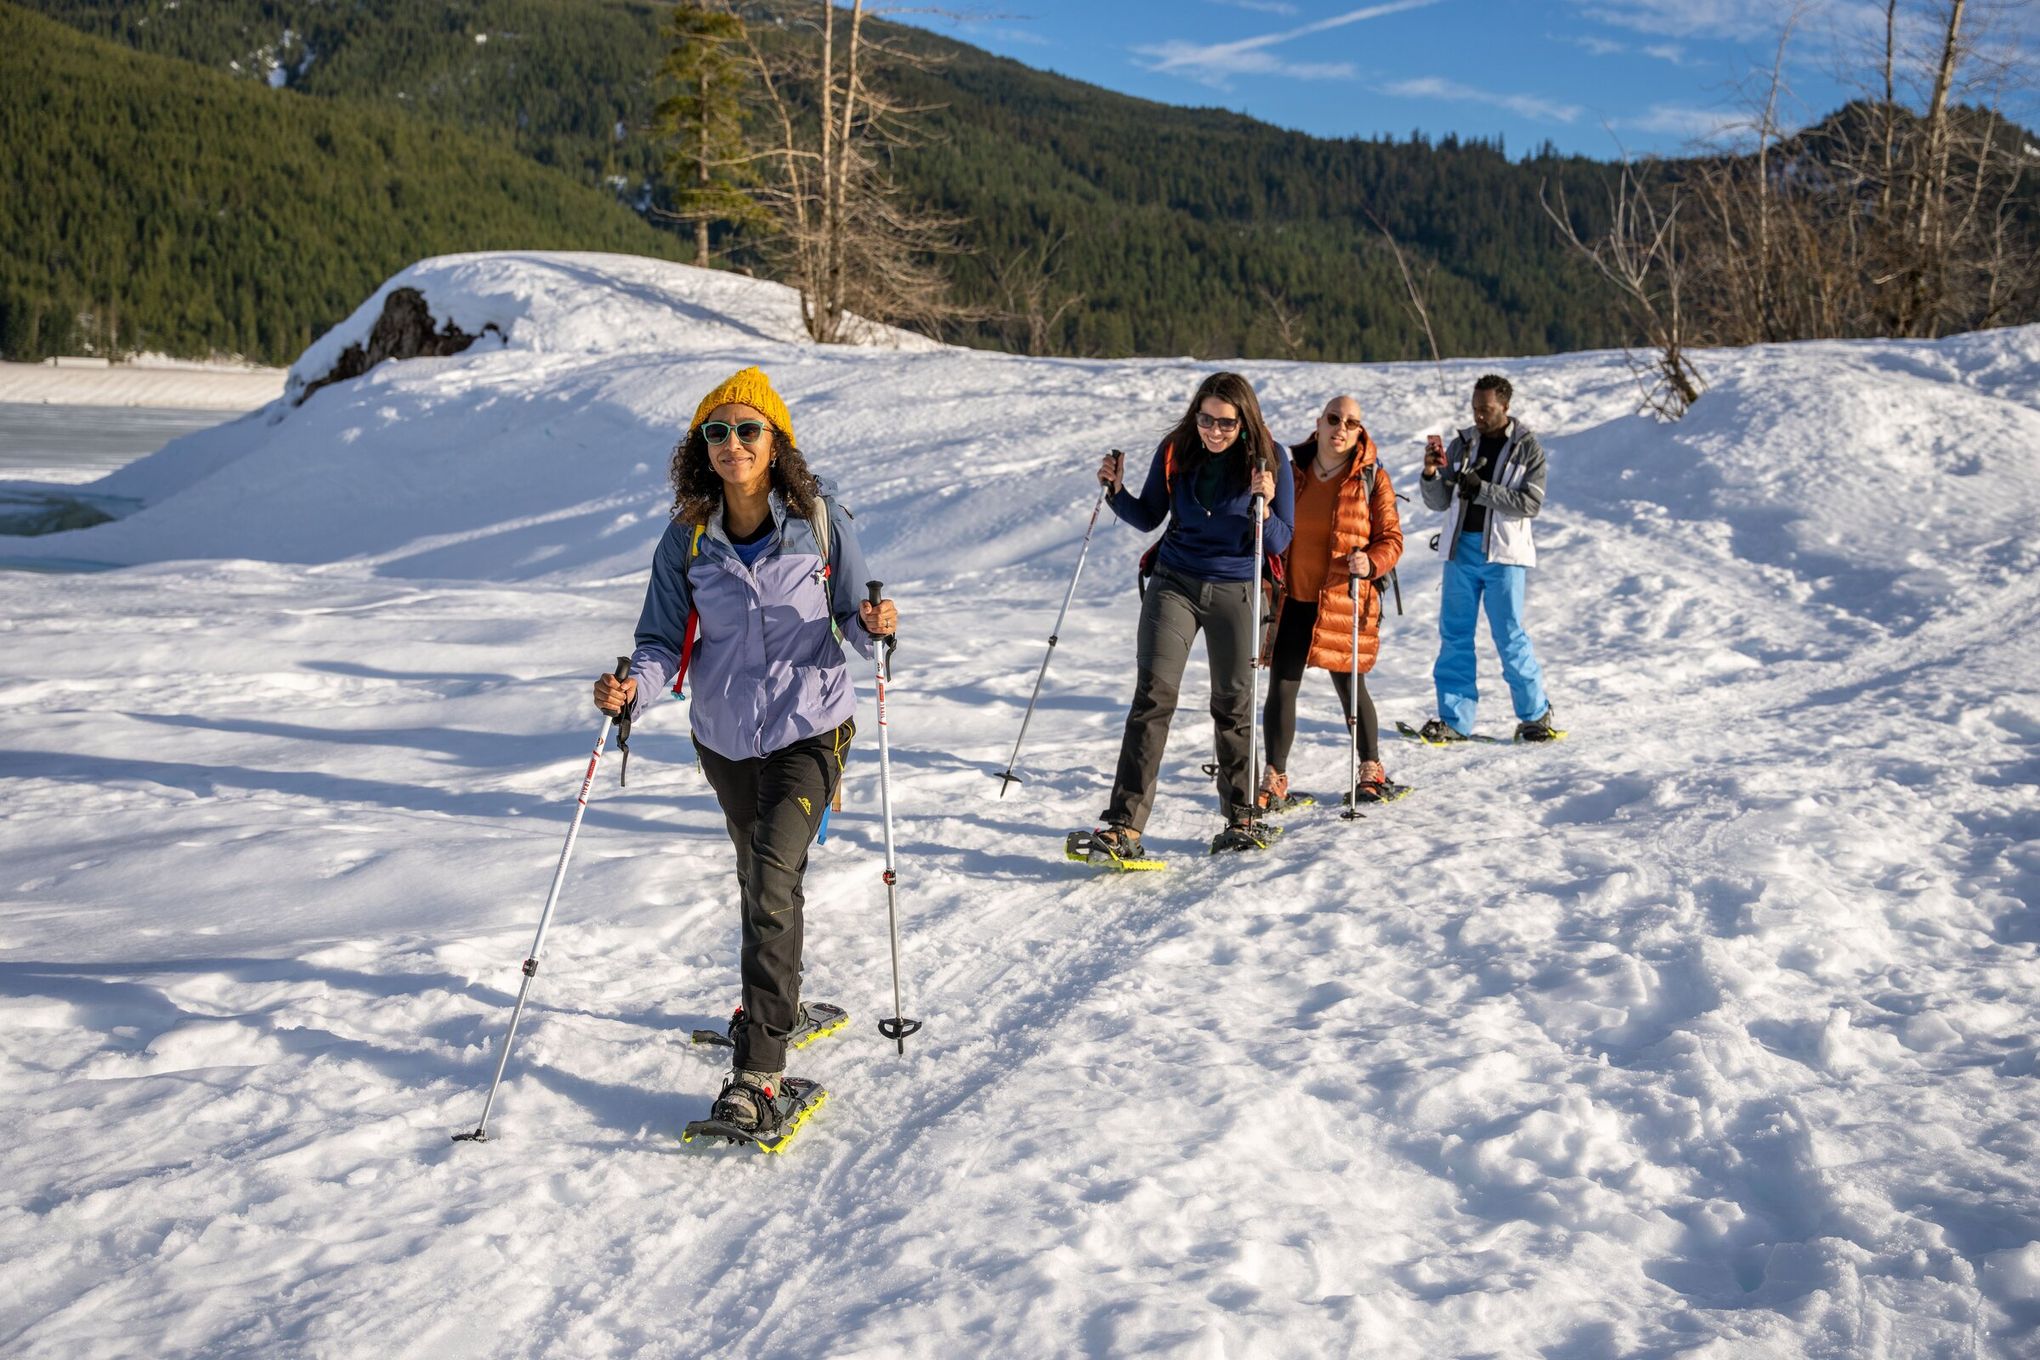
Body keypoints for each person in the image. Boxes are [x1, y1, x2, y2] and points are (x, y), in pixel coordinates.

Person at [592, 366, 897, 1137]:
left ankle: (759, 1073)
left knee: (769, 878)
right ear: (703, 448)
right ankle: (780, 1004)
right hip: (725, 739)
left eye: (747, 430)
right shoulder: (687, 537)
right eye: (717, 433)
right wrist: (636, 690)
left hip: (812, 727)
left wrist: (878, 625)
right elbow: (661, 643)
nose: (733, 444)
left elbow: (856, 620)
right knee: (758, 875)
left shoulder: (818, 521)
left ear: (776, 440)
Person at [1072, 371, 1296, 862]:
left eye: (1225, 424)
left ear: (1245, 421)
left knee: (1232, 706)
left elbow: (1281, 542)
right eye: (1206, 420)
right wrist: (1115, 491)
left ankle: (1241, 816)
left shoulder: (1272, 460)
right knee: (1153, 698)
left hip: (1237, 588)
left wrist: (1268, 503)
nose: (1214, 431)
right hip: (1173, 581)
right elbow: (1149, 514)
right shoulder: (1177, 448)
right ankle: (1124, 825)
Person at [1259, 394, 1406, 808]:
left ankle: (1372, 769)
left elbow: (1392, 540)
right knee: (1282, 687)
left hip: (1342, 599)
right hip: (1292, 597)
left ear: (1360, 431)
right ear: (1319, 422)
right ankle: (1274, 777)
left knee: (1351, 687)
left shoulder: (1370, 477)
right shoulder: (1292, 472)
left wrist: (1371, 560)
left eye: (1351, 423)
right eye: (1334, 419)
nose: (1341, 428)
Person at [1417, 373, 1557, 743]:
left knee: (1509, 635)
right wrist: (1431, 473)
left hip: (1504, 556)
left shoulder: (1528, 448)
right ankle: (1455, 720)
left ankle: (1535, 714)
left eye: (1487, 409)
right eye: (1476, 408)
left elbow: (1531, 503)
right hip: (1461, 551)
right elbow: (1438, 501)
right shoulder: (1462, 444)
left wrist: (1483, 491)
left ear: (1505, 407)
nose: (1479, 415)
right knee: (1455, 635)